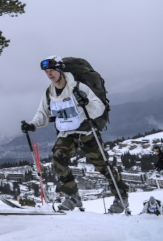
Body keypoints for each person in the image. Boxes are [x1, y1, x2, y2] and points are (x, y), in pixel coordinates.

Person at [21, 55, 129, 213]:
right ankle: (73, 196)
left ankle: (121, 196)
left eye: (52, 70)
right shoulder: (50, 92)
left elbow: (99, 108)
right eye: (47, 72)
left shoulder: (78, 87)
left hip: (86, 131)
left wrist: (86, 103)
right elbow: (42, 113)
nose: (49, 74)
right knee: (58, 159)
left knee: (103, 166)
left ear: (60, 70)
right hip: (66, 133)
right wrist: (32, 124)